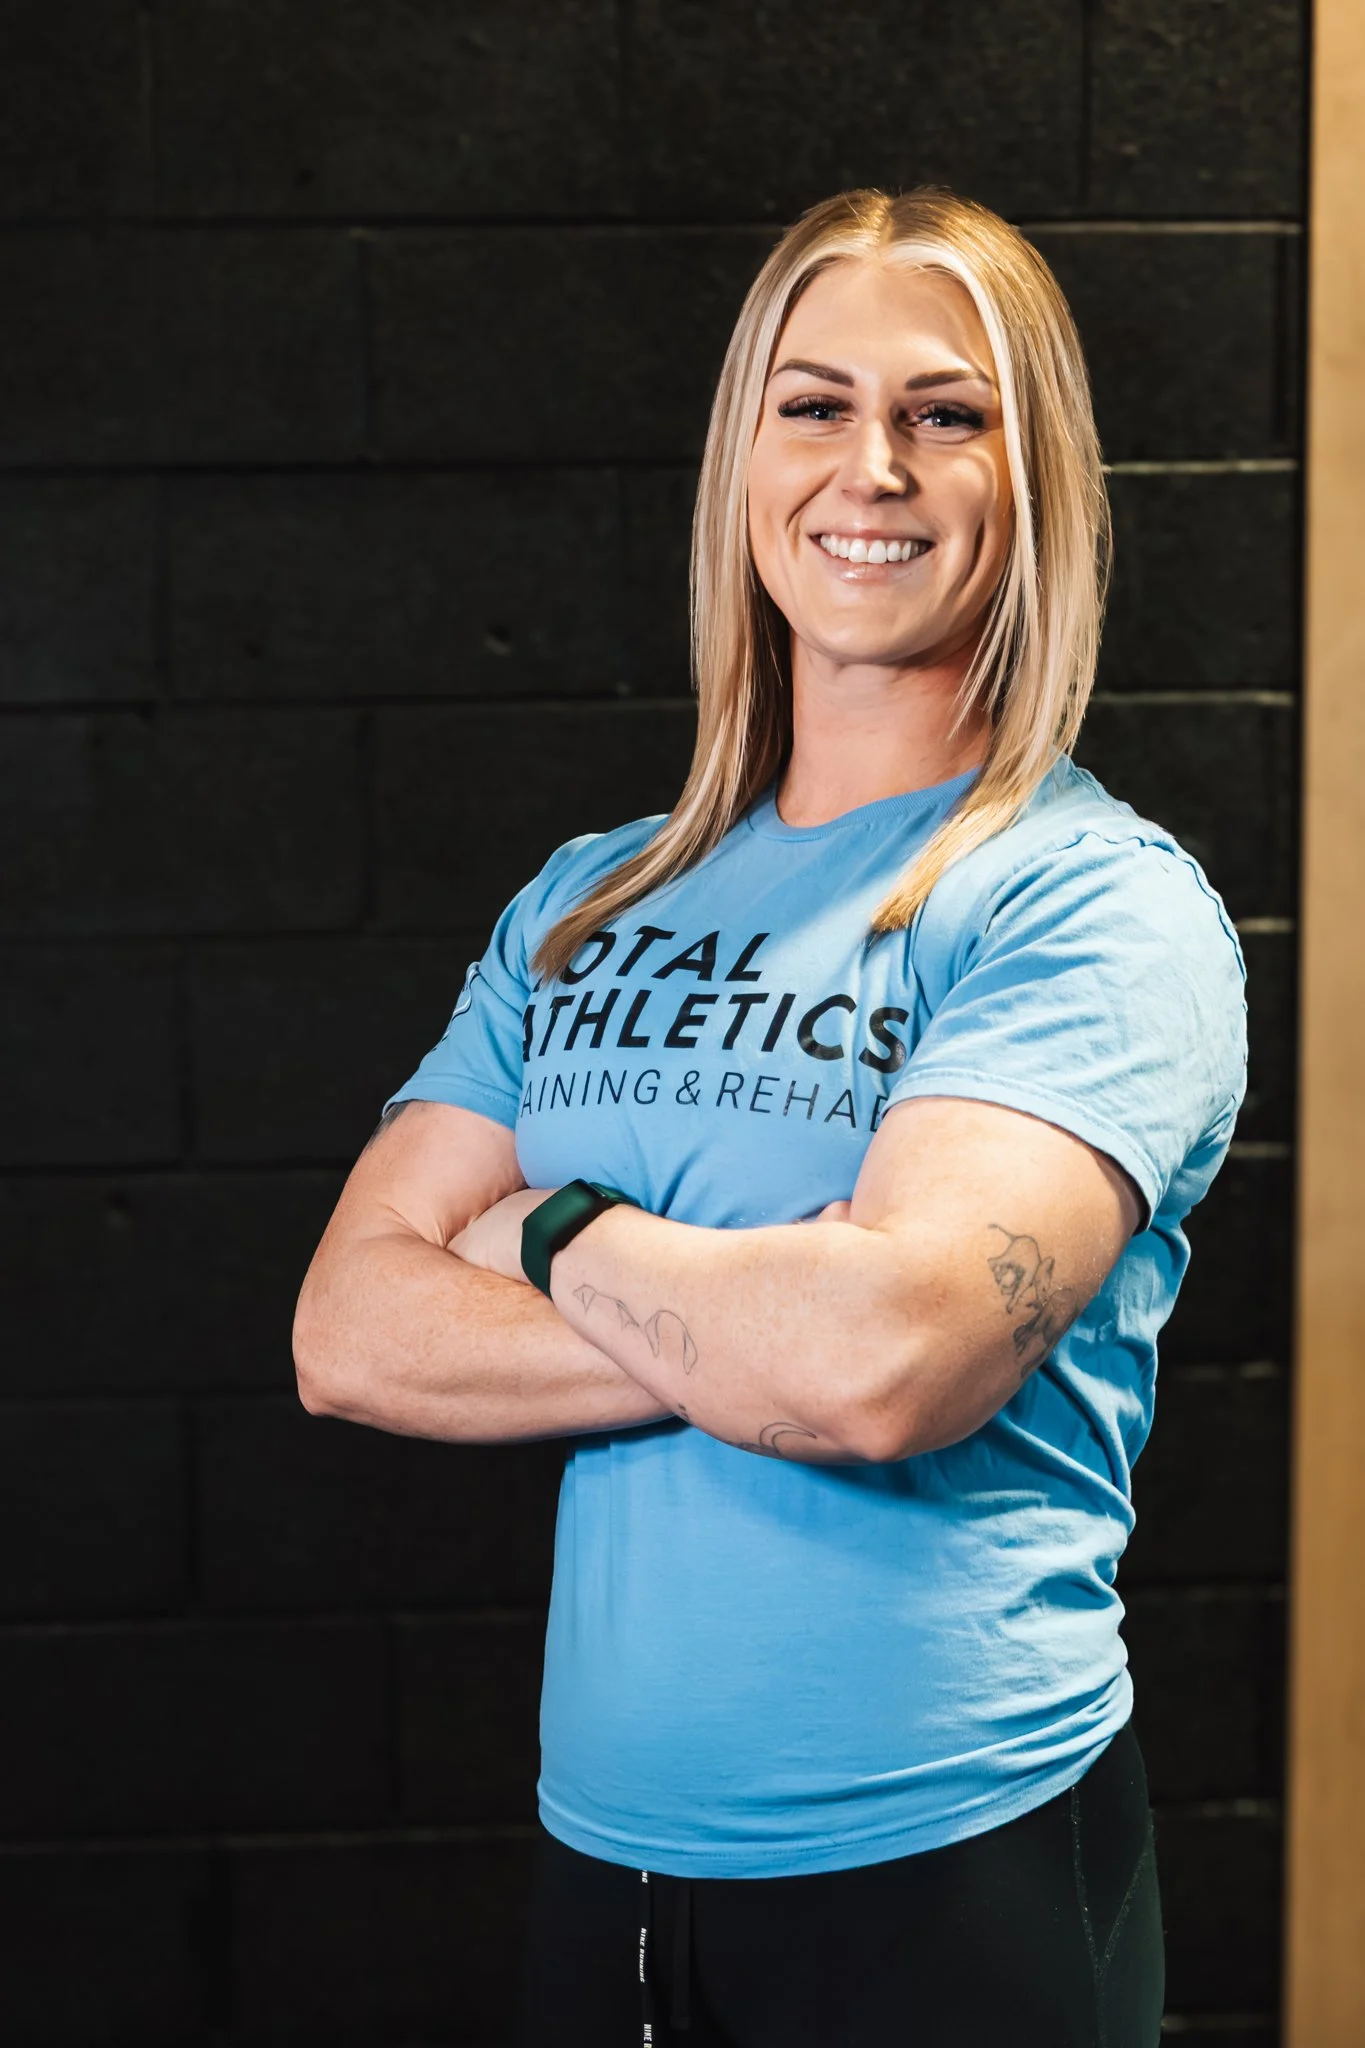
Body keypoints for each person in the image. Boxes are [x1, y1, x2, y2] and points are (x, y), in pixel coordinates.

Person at [293, 185, 1248, 2047]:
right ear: (748, 459)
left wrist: (554, 1235)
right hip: (610, 1866)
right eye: (813, 406)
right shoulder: (591, 901)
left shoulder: (1091, 904)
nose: (869, 467)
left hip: (954, 1863)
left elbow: (882, 1369)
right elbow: (344, 1327)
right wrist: (763, 1323)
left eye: (943, 413)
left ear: (1030, 467)